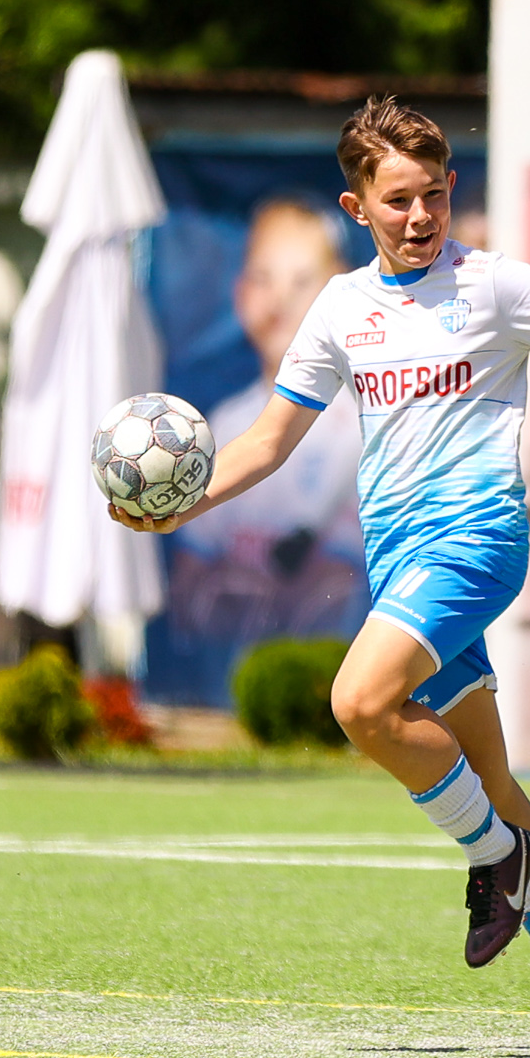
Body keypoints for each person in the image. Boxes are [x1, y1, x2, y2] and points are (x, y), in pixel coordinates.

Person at [112, 97, 530, 1052]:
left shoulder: (493, 284)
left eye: (433, 195)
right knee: (493, 776)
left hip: (476, 542)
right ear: (356, 206)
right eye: (398, 201)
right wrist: (179, 503)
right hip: (398, 560)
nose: (420, 216)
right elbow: (265, 440)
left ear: (452, 189)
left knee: (358, 702)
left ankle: (497, 859)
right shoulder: (342, 307)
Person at [167, 196, 366, 690]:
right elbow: (189, 589)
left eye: (302, 282)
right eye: (263, 278)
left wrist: (317, 591)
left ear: (340, 290)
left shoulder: (371, 418)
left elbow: (357, 584)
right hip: (230, 688)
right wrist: (220, 593)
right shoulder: (227, 421)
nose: (280, 299)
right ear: (239, 295)